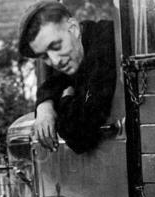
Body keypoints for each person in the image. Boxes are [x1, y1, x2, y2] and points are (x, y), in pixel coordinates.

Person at [17, 1, 117, 153]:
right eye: (44, 56)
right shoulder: (79, 48)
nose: (55, 61)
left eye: (56, 46)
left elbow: (80, 136)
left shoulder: (107, 46)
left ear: (74, 29)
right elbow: (53, 83)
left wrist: (65, 100)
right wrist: (45, 107)